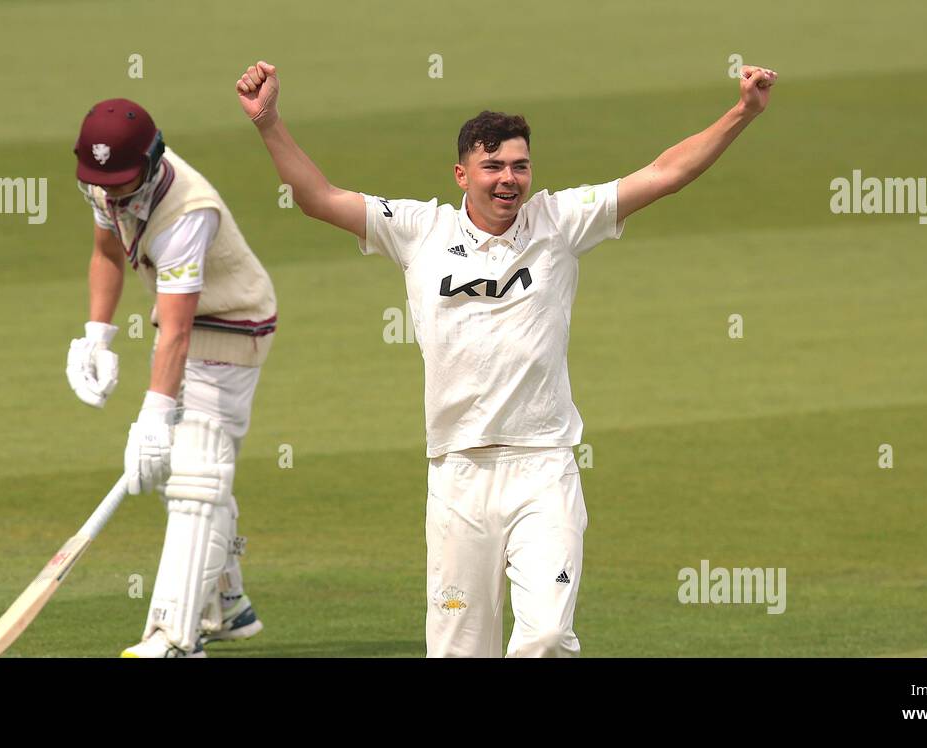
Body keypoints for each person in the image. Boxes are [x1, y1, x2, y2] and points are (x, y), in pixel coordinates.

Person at [235, 61, 777, 657]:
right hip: (457, 473)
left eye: (520, 166)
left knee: (544, 635)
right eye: (493, 166)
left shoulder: (559, 221)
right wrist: (269, 122)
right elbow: (318, 198)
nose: (508, 179)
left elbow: (666, 173)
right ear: (462, 173)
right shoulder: (419, 231)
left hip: (543, 467)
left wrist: (742, 113)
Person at [67, 98, 277, 657]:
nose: (112, 195)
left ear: (154, 159)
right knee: (175, 472)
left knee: (195, 474)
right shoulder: (105, 181)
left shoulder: (188, 211)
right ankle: (227, 604)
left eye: (121, 183)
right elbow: (107, 252)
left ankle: (173, 639)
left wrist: (154, 416)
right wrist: (97, 333)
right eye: (101, 183)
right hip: (181, 320)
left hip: (233, 325)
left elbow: (179, 331)